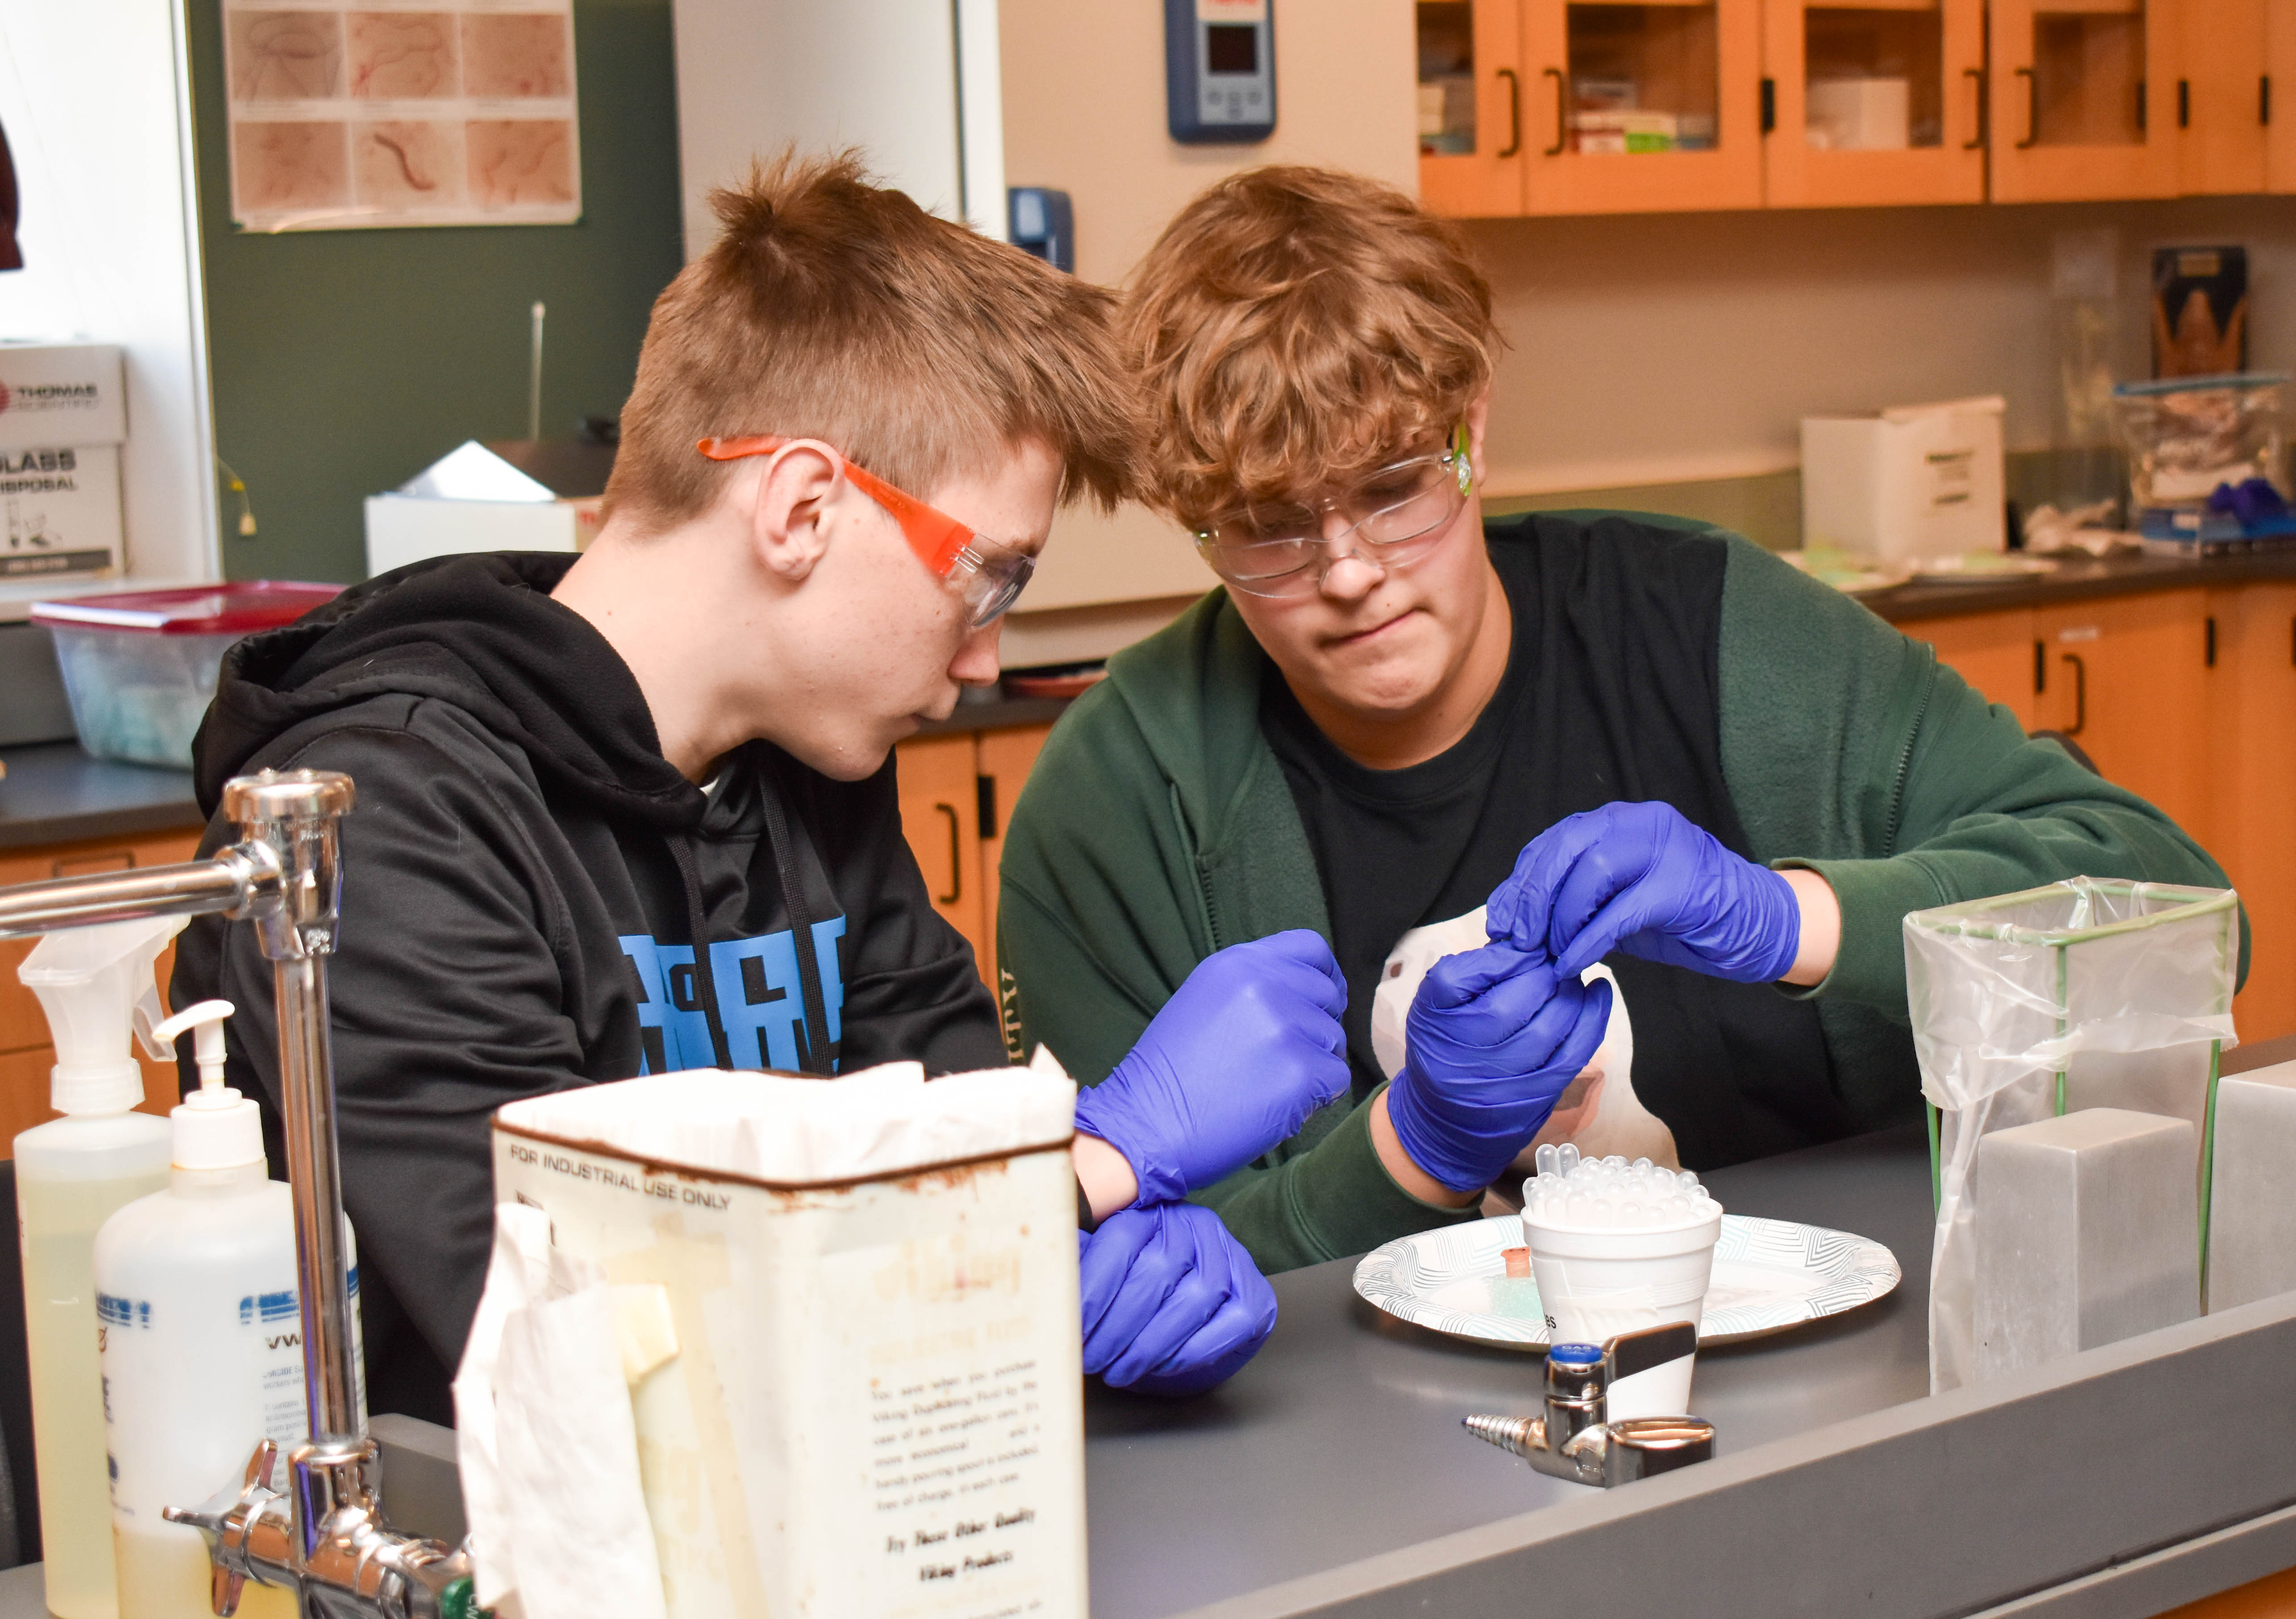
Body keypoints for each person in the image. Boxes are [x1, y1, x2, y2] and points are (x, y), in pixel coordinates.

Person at [174, 153, 1346, 1421]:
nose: (987, 655)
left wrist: (1064, 1280)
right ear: (799, 508)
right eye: (989, 578)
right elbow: (573, 1345)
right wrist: (1100, 1160)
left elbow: (956, 1161)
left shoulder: (808, 766)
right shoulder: (393, 818)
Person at [994, 165, 2241, 1274]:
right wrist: (1406, 1151)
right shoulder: (1119, 800)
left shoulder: (1712, 630)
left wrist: (1789, 918)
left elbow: (2181, 921)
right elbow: (1099, 1274)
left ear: (1473, 427)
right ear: (1195, 526)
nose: (1349, 569)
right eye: (1270, 525)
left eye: (1393, 489)